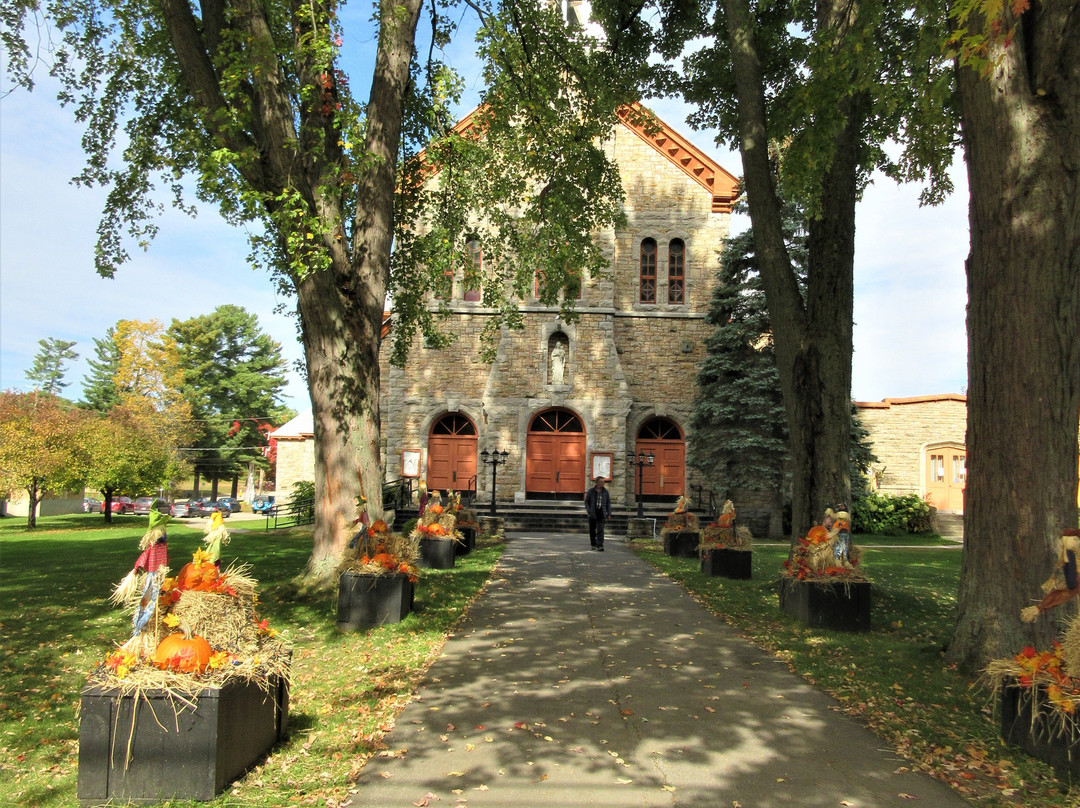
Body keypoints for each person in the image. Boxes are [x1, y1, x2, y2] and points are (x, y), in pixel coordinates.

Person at [584, 476, 611, 551]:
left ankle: (600, 545)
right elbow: (586, 502)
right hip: (593, 512)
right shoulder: (591, 491)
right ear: (597, 482)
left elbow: (608, 503)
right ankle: (593, 544)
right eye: (601, 482)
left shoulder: (605, 492)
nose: (603, 483)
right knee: (592, 529)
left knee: (600, 529)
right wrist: (589, 511)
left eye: (603, 482)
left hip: (601, 512)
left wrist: (609, 513)